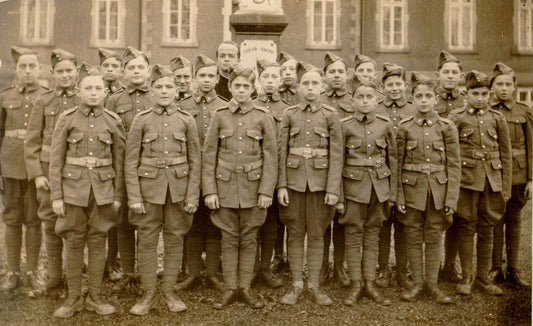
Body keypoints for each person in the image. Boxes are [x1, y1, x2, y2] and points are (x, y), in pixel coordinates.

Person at [50, 63, 125, 318]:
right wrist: (57, 196)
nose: (93, 93)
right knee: (73, 241)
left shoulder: (113, 121)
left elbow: (120, 162)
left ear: (105, 91)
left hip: (103, 190)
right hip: (72, 190)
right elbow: (55, 160)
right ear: (79, 91)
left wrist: (118, 196)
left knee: (98, 241)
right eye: (88, 88)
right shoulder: (67, 118)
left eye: (98, 88)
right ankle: (72, 299)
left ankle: (94, 296)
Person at [125, 64, 200, 315]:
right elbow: (130, 161)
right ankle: (147, 293)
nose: (165, 91)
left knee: (175, 239)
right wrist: (134, 196)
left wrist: (191, 196)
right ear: (152, 90)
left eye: (169, 86)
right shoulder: (141, 120)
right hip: (148, 190)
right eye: (159, 87)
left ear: (176, 90)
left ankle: (169, 290)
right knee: (146, 239)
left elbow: (195, 161)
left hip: (178, 190)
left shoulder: (186, 120)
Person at [202, 66, 277, 309]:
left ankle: (245, 288)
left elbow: (271, 156)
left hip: (254, 189)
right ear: (230, 88)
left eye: (246, 86)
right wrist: (210, 190)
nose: (242, 90)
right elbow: (209, 154)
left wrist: (266, 191)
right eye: (237, 86)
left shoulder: (263, 116)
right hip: (224, 188)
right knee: (228, 238)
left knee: (249, 238)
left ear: (253, 88)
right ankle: (230, 288)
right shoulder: (219, 114)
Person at [277, 62, 342, 306]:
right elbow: (281, 153)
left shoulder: (330, 115)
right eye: (306, 83)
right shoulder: (289, 114)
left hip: (320, 184)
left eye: (315, 83)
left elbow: (337, 155)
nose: (310, 87)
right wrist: (281, 185)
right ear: (298, 87)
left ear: (323, 86)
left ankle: (314, 284)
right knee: (294, 233)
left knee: (316, 234)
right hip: (293, 184)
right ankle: (296, 284)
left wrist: (333, 189)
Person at [396, 72, 461, 304]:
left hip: (438, 192)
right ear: (412, 98)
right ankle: (417, 283)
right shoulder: (404, 128)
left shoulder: (447, 127)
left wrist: (451, 199)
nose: (424, 100)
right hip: (411, 190)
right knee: (412, 235)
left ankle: (432, 285)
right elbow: (398, 165)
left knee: (434, 236)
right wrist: (399, 196)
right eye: (419, 96)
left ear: (435, 99)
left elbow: (454, 165)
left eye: (428, 96)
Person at [448, 70, 512, 296]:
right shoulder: (456, 118)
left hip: (491, 181)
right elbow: (451, 155)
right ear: (466, 93)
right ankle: (467, 276)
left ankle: (483, 278)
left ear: (490, 94)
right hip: (466, 182)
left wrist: (505, 188)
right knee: (466, 226)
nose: (480, 98)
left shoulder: (497, 118)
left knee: (488, 228)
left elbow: (506, 156)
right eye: (475, 93)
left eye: (484, 94)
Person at [25, 49, 80, 296]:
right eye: (60, 71)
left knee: (75, 223)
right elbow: (32, 141)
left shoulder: (84, 99)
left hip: (76, 171)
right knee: (49, 222)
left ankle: (75, 275)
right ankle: (55, 276)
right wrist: (37, 173)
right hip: (48, 172)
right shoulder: (43, 101)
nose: (65, 75)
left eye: (69, 71)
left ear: (77, 73)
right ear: (52, 73)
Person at [338, 82, 396, 306]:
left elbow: (394, 160)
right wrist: (340, 196)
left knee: (373, 235)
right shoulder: (344, 125)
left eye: (369, 97)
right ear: (353, 101)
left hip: (379, 189)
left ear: (376, 100)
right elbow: (338, 162)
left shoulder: (385, 125)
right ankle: (355, 284)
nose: (364, 101)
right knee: (353, 235)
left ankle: (370, 283)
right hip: (352, 188)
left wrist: (392, 194)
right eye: (360, 97)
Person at [176, 54, 226, 292]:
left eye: (211, 76)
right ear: (195, 78)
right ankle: (193, 273)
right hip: (191, 175)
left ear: (217, 79)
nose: (206, 80)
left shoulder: (224, 107)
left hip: (218, 175)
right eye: (202, 76)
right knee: (193, 221)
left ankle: (213, 274)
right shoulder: (183, 106)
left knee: (216, 221)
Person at [1, 46, 48, 294]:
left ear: (39, 69)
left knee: (33, 219)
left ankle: (31, 271)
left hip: (36, 167)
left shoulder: (47, 95)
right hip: (10, 165)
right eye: (23, 66)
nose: (28, 71)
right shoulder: (5, 96)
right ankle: (12, 272)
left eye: (32, 66)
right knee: (11, 218)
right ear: (16, 69)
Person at [106, 46, 154, 292]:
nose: (136, 71)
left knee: (147, 222)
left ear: (149, 71)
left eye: (140, 67)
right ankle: (127, 272)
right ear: (124, 73)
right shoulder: (114, 100)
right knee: (123, 222)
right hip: (122, 168)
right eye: (131, 68)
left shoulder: (157, 97)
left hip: (149, 169)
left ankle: (146, 273)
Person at [487, 62, 532, 287]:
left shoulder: (523, 111)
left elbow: (531, 147)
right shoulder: (486, 110)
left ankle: (513, 269)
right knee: (496, 220)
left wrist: (531, 179)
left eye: (508, 84)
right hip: (495, 174)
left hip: (519, 175)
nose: (504, 88)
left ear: (515, 86)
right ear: (492, 86)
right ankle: (495, 268)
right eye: (499, 84)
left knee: (514, 221)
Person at [375, 63, 415, 290]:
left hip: (407, 175)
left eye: (398, 84)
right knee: (382, 223)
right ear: (383, 86)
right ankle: (382, 269)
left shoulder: (412, 109)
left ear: (406, 86)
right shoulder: (377, 109)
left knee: (404, 224)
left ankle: (402, 270)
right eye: (390, 84)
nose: (394, 88)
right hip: (380, 174)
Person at [252, 58, 287, 289]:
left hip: (276, 174)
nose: (270, 81)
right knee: (252, 221)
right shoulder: (251, 105)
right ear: (259, 80)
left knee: (272, 222)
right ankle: (252, 267)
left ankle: (266, 267)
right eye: (266, 77)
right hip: (252, 174)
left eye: (275, 77)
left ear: (281, 80)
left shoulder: (287, 109)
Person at [318, 52, 352, 287]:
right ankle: (320, 267)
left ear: (347, 75)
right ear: (324, 76)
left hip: (348, 168)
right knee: (321, 220)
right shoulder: (317, 99)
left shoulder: (354, 100)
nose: (337, 76)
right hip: (321, 169)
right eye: (332, 72)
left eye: (341, 71)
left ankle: (339, 266)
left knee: (342, 220)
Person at [97, 47, 125, 282]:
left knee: (114, 215)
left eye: (114, 66)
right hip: (97, 159)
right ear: (100, 69)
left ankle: (112, 261)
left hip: (116, 158)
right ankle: (97, 261)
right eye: (106, 66)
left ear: (121, 70)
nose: (110, 70)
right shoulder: (92, 91)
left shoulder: (121, 96)